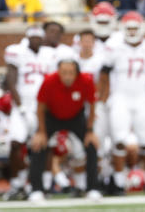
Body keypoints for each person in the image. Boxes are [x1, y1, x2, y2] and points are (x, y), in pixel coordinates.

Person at [98, 11, 145, 195]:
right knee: (118, 140)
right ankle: (118, 182)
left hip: (142, 98)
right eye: (129, 28)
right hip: (120, 99)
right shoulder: (114, 46)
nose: (132, 32)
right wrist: (103, 97)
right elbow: (104, 73)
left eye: (135, 28)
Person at [28, 50, 101, 202]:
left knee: (92, 144)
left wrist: (90, 130)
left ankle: (92, 188)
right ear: (58, 72)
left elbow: (92, 105)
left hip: (76, 116)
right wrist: (41, 132)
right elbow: (40, 107)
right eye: (64, 72)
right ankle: (36, 189)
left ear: (77, 72)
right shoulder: (49, 81)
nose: (67, 76)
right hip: (52, 116)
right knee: (37, 145)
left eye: (71, 72)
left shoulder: (86, 81)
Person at [3, 26, 55, 198]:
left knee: (45, 145)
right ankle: (17, 182)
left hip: (43, 106)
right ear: (27, 38)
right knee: (16, 143)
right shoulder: (17, 53)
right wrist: (21, 107)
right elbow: (10, 81)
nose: (36, 41)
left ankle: (44, 184)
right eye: (32, 37)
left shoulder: (50, 55)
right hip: (23, 105)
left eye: (38, 38)